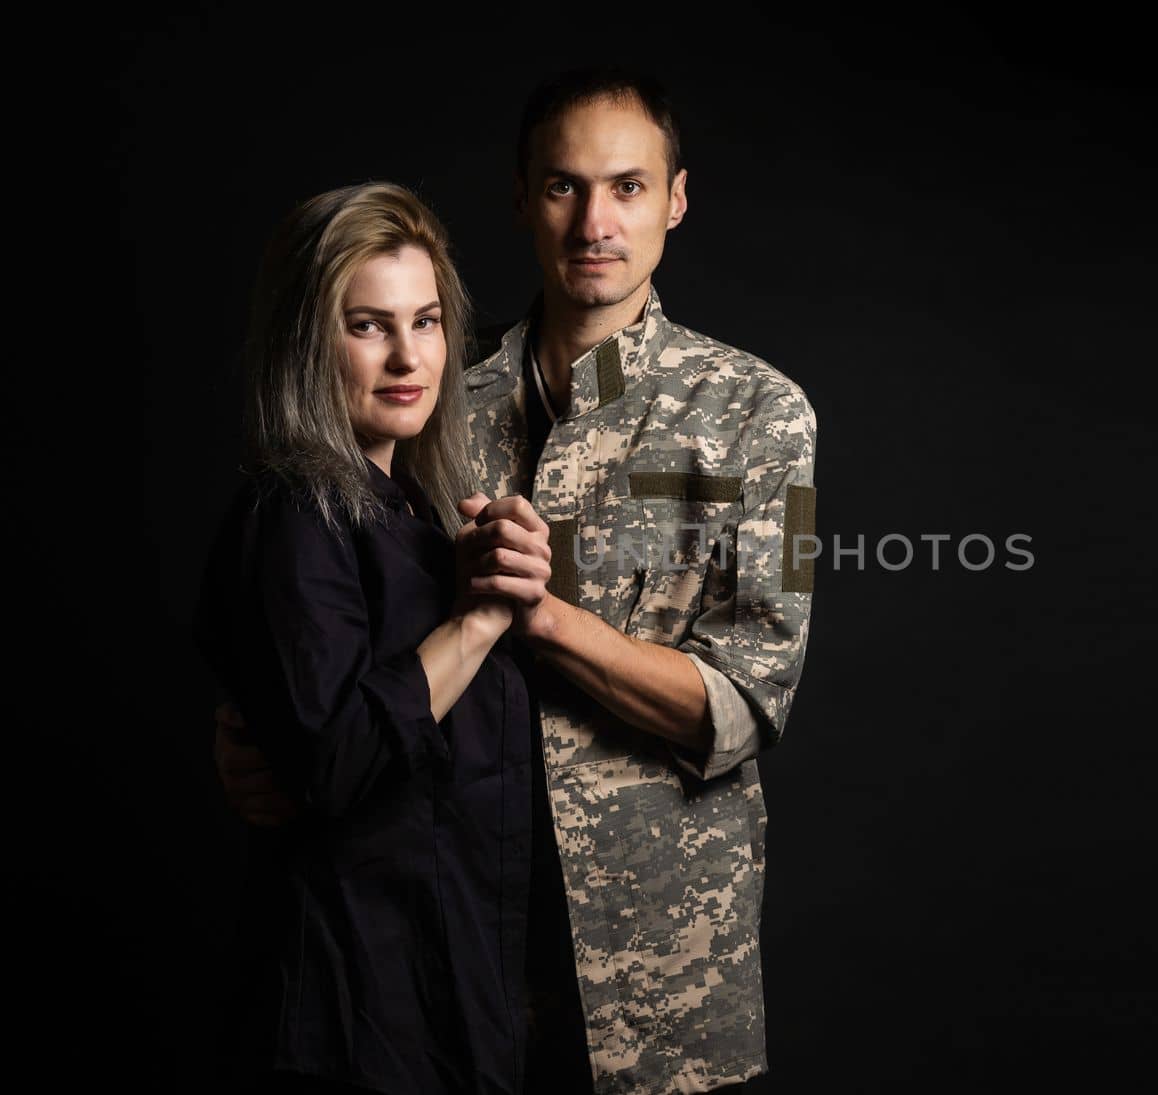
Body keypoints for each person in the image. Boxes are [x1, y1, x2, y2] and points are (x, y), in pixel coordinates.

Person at [216, 67, 819, 1094]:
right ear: (520, 197)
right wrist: (247, 725)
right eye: (562, 186)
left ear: (675, 198)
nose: (595, 221)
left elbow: (743, 703)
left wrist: (537, 619)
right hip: (448, 936)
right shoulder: (434, 387)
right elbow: (322, 592)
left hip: (656, 950)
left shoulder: (764, 415)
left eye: (628, 187)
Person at [196, 181, 553, 1094]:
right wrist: (477, 622)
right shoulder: (298, 510)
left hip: (440, 1000)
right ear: (309, 341)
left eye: (426, 321)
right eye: (368, 325)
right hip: (350, 1025)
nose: (408, 356)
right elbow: (338, 757)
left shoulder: (415, 519)